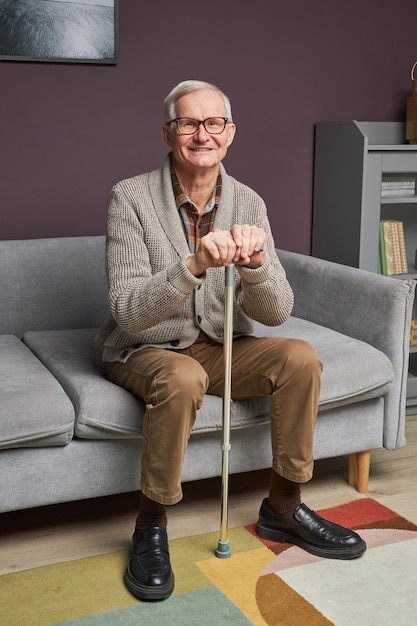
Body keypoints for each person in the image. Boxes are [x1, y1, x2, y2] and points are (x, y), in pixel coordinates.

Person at [98, 80, 366, 601]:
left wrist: (259, 266)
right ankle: (150, 525)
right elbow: (128, 312)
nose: (202, 134)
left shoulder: (248, 202)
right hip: (145, 348)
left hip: (221, 347)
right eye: (188, 123)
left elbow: (277, 311)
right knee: (182, 374)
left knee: (299, 358)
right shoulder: (129, 197)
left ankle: (284, 508)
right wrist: (194, 264)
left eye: (213, 123)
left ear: (230, 133)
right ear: (168, 133)